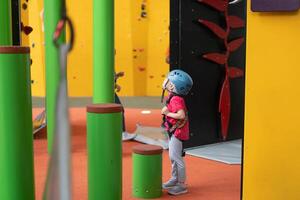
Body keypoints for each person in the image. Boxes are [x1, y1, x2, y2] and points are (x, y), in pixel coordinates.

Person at [161, 69, 193, 195]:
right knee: (173, 157)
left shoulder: (176, 99)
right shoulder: (173, 97)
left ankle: (181, 185)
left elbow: (181, 115)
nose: (166, 81)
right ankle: (175, 179)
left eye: (168, 80)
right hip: (174, 131)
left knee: (176, 157)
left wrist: (167, 113)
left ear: (173, 85)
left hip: (177, 132)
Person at [114, 71, 137, 141]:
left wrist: (117, 76)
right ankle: (122, 133)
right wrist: (115, 85)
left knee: (117, 110)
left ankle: (119, 132)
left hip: (109, 92)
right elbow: (106, 80)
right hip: (109, 93)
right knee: (120, 110)